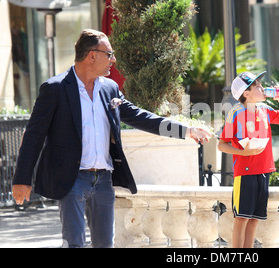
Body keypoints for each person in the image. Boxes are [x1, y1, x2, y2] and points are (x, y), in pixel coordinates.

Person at [12, 29, 211, 248]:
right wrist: (21, 179)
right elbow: (33, 136)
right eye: (109, 54)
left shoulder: (109, 89)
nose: (113, 60)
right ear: (92, 55)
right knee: (74, 243)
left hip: (104, 181)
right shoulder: (55, 89)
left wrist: (184, 130)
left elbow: (139, 116)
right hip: (71, 179)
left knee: (105, 245)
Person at [217, 71, 279, 248]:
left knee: (254, 221)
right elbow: (222, 145)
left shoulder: (265, 109)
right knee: (242, 219)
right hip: (244, 173)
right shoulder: (235, 112)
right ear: (246, 93)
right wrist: (243, 153)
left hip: (264, 171)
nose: (262, 88)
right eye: (257, 86)